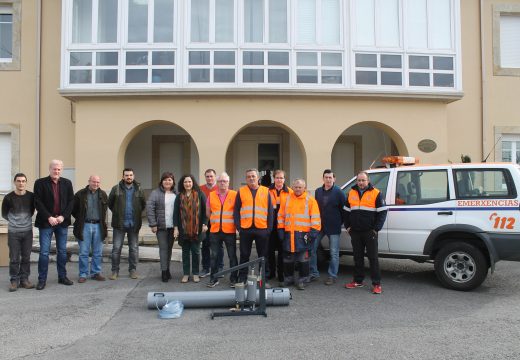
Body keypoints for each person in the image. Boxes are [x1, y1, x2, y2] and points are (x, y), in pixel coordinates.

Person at [344, 171, 387, 294]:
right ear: (356, 181)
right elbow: (346, 211)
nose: (361, 183)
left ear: (368, 180)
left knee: (373, 258)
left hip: (370, 232)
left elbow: (382, 212)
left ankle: (376, 284)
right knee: (357, 258)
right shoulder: (351, 193)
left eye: (363, 180)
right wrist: (347, 226)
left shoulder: (376, 193)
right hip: (355, 232)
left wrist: (376, 229)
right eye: (359, 180)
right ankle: (358, 281)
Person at [34, 160, 75, 290]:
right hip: (46, 222)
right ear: (49, 169)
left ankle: (62, 277)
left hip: (62, 222)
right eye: (54, 169)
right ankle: (42, 280)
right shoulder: (40, 183)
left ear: (61, 170)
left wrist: (63, 216)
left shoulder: (67, 183)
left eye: (59, 169)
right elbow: (37, 201)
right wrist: (49, 217)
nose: (56, 171)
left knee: (62, 251)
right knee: (44, 252)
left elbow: (71, 201)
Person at [277, 179, 321, 290]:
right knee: (288, 259)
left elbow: (316, 218)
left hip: (304, 236)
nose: (297, 189)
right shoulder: (287, 199)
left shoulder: (310, 200)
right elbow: (281, 216)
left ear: (304, 188)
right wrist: (280, 229)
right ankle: (288, 279)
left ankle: (303, 280)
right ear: (292, 186)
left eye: (300, 187)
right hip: (288, 235)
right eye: (296, 187)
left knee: (303, 260)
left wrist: (313, 233)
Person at [234, 168, 273, 287]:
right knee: (244, 255)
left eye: (253, 176)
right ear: (246, 179)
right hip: (246, 229)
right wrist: (239, 227)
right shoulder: (241, 191)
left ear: (258, 178)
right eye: (249, 176)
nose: (251, 178)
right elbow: (236, 211)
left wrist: (269, 229)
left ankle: (263, 279)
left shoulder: (266, 191)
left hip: (262, 229)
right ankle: (242, 278)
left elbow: (270, 212)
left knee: (263, 256)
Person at [108, 168, 146, 280]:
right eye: (126, 175)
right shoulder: (116, 189)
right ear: (123, 176)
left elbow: (143, 205)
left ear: (133, 176)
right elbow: (111, 204)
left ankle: (132, 270)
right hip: (119, 224)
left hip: (133, 224)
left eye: (130, 175)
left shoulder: (139, 189)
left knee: (133, 248)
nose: (128, 177)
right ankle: (115, 271)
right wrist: (117, 213)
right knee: (116, 248)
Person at [310, 169, 347, 285]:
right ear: (323, 178)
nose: (328, 179)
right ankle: (314, 273)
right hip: (319, 226)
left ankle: (332, 275)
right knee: (311, 248)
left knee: (334, 253)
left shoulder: (339, 192)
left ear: (334, 179)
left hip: (334, 226)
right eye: (326, 177)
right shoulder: (318, 191)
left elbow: (344, 210)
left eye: (330, 177)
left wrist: (341, 222)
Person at [2, 173, 35, 292]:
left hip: (27, 232)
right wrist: (15, 222)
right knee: (14, 258)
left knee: (26, 257)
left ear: (26, 182)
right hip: (13, 233)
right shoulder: (8, 197)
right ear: (14, 182)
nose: (21, 183)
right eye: (18, 181)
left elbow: (31, 211)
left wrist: (23, 221)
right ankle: (14, 281)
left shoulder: (31, 196)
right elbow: (4, 214)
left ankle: (24, 280)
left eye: (23, 181)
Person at [72, 175, 108, 283]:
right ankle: (83, 274)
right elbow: (74, 210)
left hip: (98, 225)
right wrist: (81, 219)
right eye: (94, 182)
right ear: (89, 182)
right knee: (84, 252)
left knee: (98, 252)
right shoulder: (80, 194)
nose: (96, 184)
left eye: (98, 182)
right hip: (85, 225)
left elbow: (104, 210)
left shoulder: (103, 194)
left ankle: (95, 272)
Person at [205, 172, 239, 288]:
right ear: (217, 183)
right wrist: (214, 220)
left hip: (230, 231)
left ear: (228, 183)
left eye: (225, 181)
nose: (222, 183)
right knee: (214, 255)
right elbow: (208, 212)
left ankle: (234, 278)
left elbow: (238, 211)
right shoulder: (212, 195)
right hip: (215, 231)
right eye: (220, 181)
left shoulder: (234, 194)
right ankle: (213, 278)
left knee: (232, 256)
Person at [173, 174, 207, 283]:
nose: (187, 184)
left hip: (196, 230)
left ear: (193, 183)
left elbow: (206, 211)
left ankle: (196, 273)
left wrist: (205, 224)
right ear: (182, 184)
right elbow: (175, 214)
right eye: (185, 182)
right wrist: (176, 228)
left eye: (189, 182)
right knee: (185, 253)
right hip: (183, 231)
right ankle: (186, 274)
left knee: (196, 252)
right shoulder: (179, 196)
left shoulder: (200, 194)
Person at [146, 172, 176, 282]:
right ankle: (164, 271)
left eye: (170, 180)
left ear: (173, 182)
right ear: (161, 181)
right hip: (161, 227)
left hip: (173, 227)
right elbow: (150, 208)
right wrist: (153, 224)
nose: (167, 182)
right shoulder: (155, 193)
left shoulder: (176, 193)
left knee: (169, 249)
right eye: (165, 180)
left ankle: (167, 269)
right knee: (163, 249)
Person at [268, 169, 292, 282]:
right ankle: (271, 272)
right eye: (277, 177)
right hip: (270, 226)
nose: (279, 180)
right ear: (274, 178)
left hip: (284, 226)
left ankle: (281, 274)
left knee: (283, 251)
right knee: (270, 251)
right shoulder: (267, 191)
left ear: (284, 179)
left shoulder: (290, 192)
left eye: (281, 178)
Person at [199, 169, 224, 278]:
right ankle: (206, 268)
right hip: (204, 222)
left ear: (215, 177)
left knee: (219, 245)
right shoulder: (200, 189)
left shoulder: (220, 188)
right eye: (207, 176)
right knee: (205, 244)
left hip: (217, 221)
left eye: (211, 176)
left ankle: (220, 267)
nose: (209, 178)